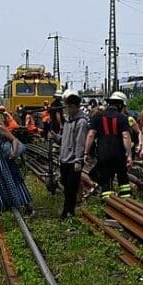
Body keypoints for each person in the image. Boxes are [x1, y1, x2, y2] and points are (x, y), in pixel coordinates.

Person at [85, 92, 133, 199]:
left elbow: (91, 135)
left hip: (103, 155)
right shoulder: (123, 118)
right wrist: (129, 155)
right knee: (123, 180)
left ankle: (108, 203)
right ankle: (126, 201)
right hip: (119, 155)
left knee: (106, 180)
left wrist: (86, 152)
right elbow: (126, 136)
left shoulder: (97, 116)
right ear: (120, 104)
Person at [58, 91, 89, 219]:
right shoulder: (68, 121)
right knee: (66, 187)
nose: (67, 110)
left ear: (75, 107)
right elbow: (65, 139)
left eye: (69, 107)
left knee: (71, 188)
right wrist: (55, 137)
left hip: (72, 161)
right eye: (66, 107)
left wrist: (78, 160)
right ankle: (68, 211)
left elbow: (80, 142)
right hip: (64, 159)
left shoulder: (81, 122)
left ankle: (68, 212)